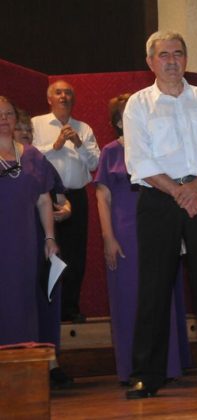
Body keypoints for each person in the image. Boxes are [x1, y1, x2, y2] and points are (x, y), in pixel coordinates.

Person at [122, 30, 197, 398]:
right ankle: (147, 375)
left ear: (186, 59)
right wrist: (179, 192)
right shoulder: (138, 104)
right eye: (164, 54)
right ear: (150, 62)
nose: (172, 61)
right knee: (154, 288)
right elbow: (139, 160)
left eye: (178, 53)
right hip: (159, 200)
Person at [95, 93, 190, 385]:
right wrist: (108, 238)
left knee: (161, 295)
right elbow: (102, 196)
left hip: (160, 227)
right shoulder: (110, 152)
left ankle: (166, 367)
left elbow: (175, 190)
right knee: (128, 298)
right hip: (124, 233)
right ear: (117, 121)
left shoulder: (158, 147)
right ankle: (132, 369)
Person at [32, 80, 100, 323]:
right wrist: (55, 145)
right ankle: (45, 309)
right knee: (45, 251)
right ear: (49, 99)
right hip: (45, 197)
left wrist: (78, 143)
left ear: (74, 99)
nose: (63, 96)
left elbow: (94, 163)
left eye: (68, 93)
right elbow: (27, 155)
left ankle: (69, 308)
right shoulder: (36, 124)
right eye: (58, 92)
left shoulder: (84, 128)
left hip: (77, 196)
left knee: (75, 254)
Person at [14, 109, 73, 388]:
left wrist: (66, 210)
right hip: (17, 239)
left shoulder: (38, 160)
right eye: (20, 129)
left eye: (29, 130)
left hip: (43, 239)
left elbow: (60, 199)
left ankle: (51, 364)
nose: (26, 134)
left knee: (45, 302)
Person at [0, 95, 59, 345]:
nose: (4, 119)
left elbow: (44, 200)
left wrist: (49, 237)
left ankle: (25, 356)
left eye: (8, 114)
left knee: (23, 296)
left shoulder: (33, 155)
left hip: (25, 239)